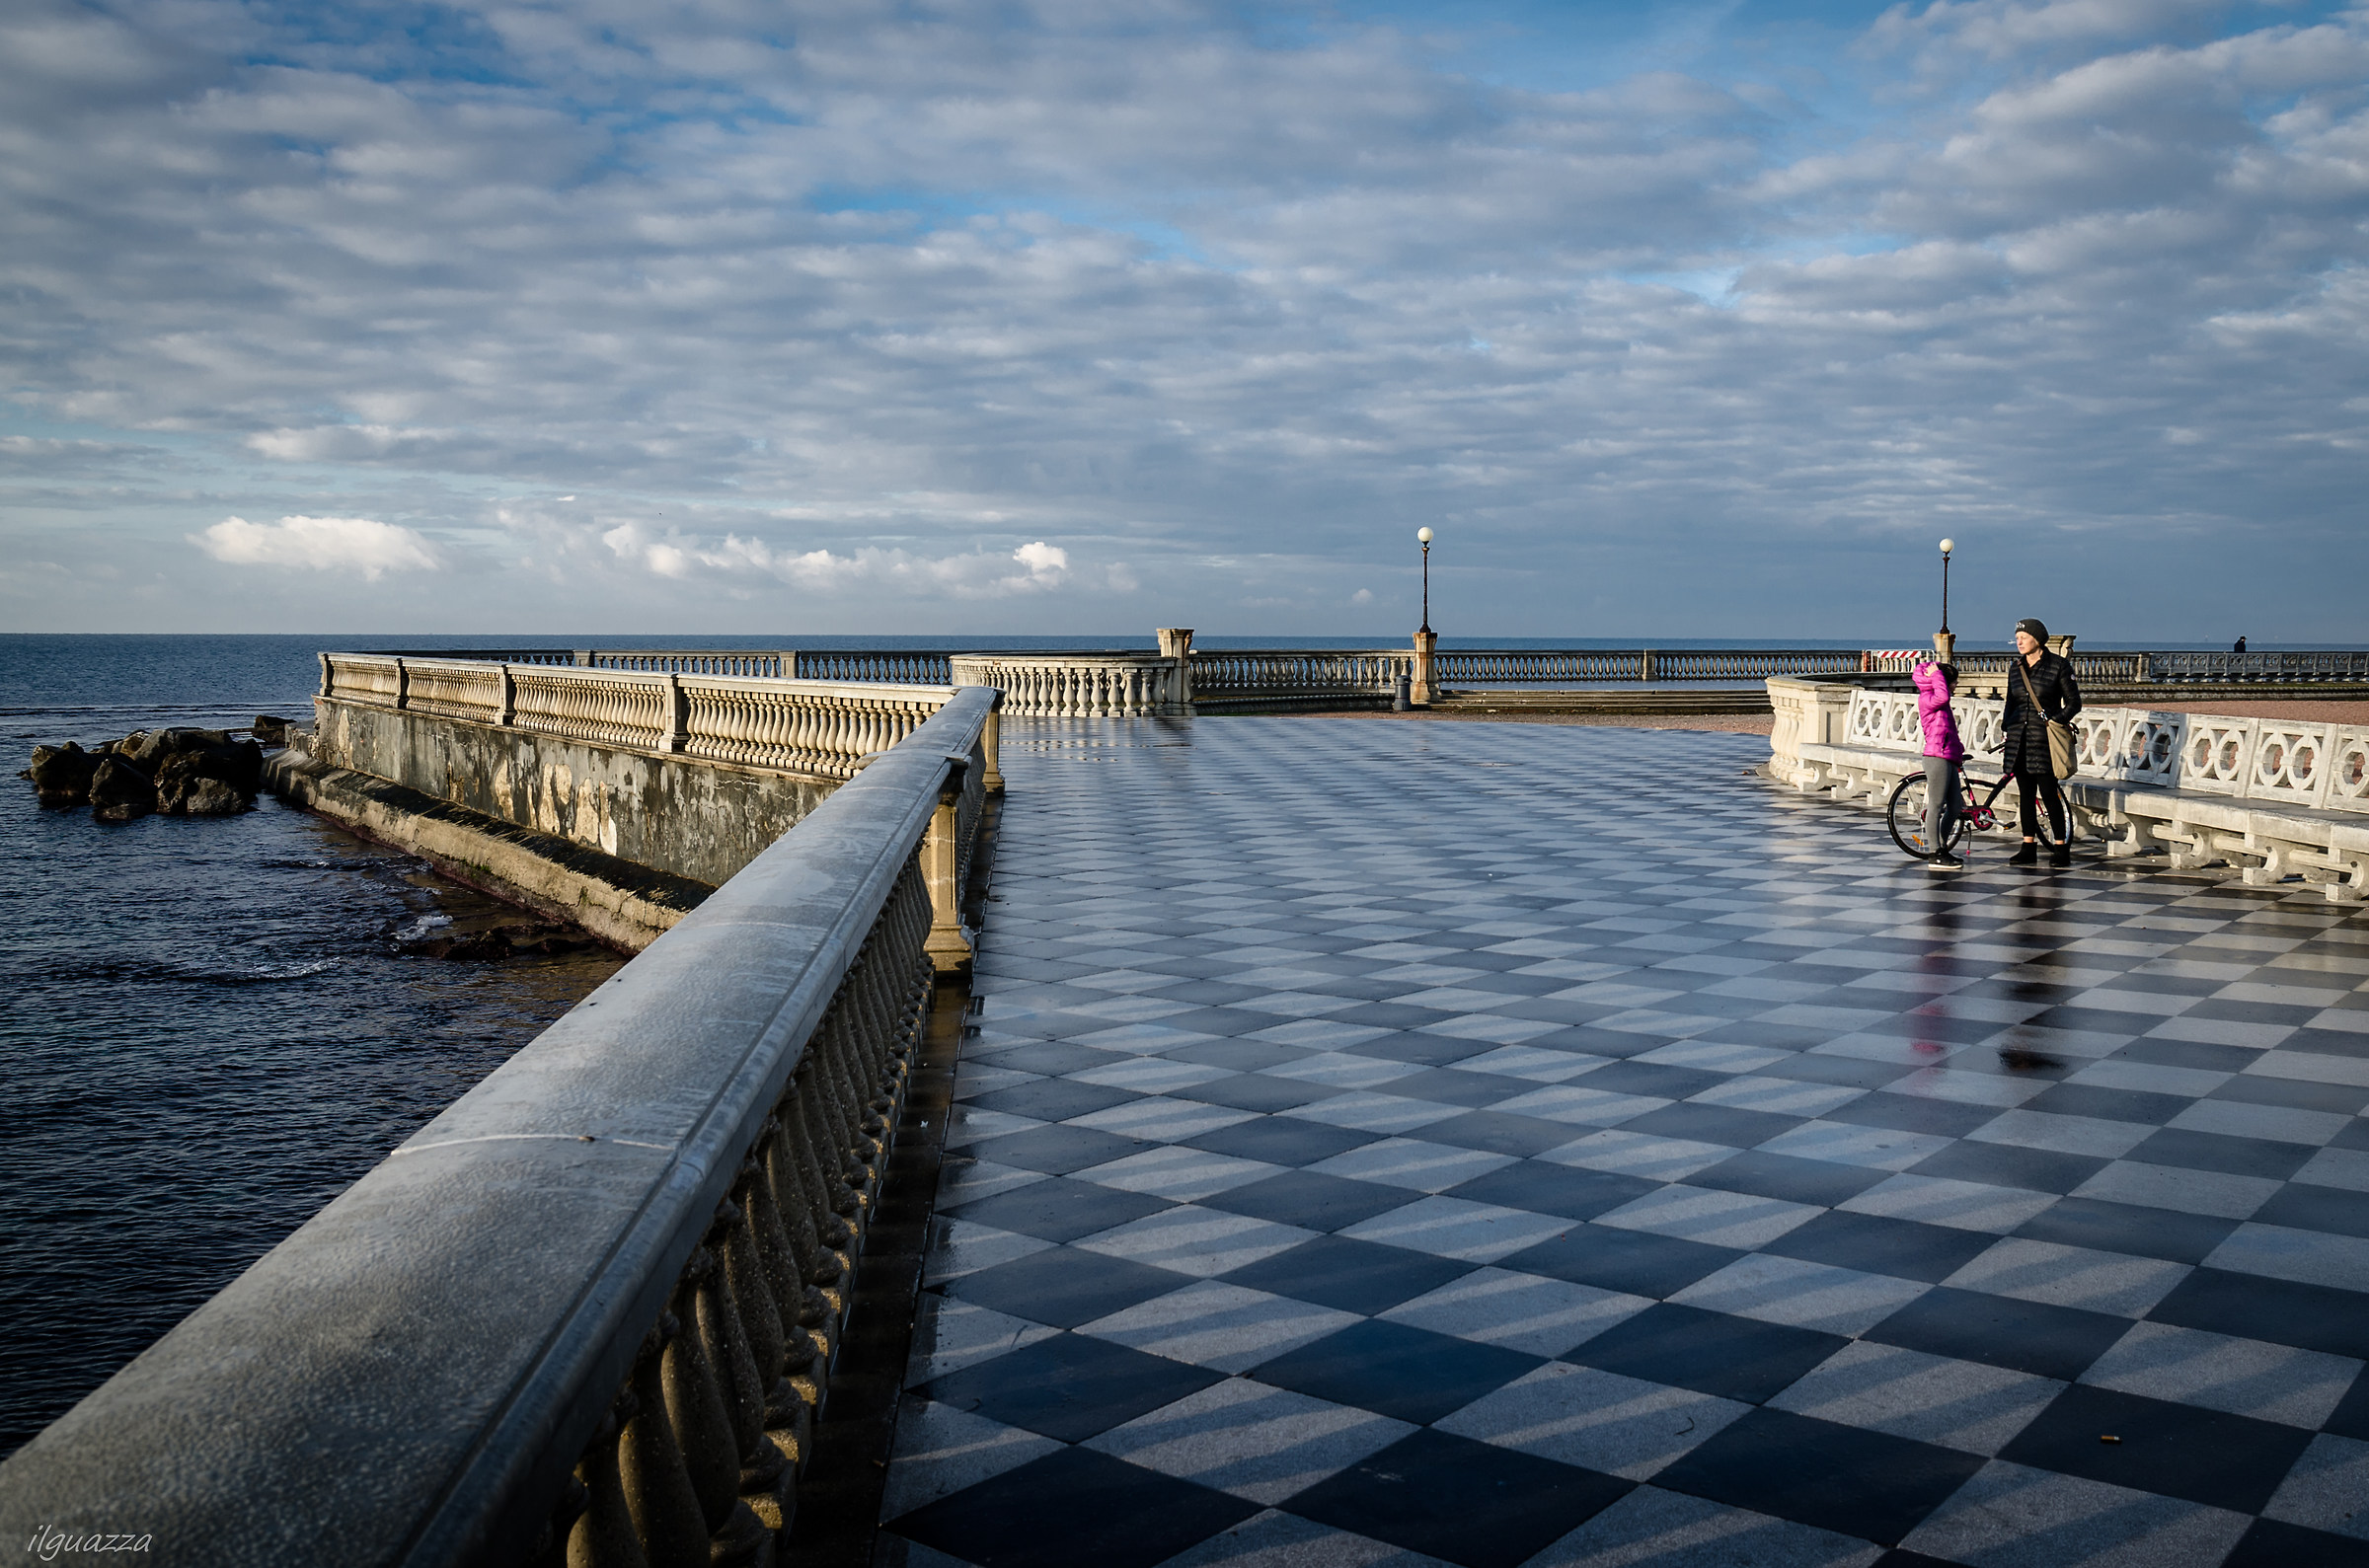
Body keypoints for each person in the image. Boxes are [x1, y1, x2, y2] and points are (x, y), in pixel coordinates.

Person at [2001, 617, 2081, 865]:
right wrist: (2006, 726)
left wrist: (2056, 720)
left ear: (2037, 639)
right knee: (2025, 794)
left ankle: (2060, 846)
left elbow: (2074, 702)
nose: (2019, 642)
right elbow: (2010, 702)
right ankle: (2028, 845)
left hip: (2045, 740)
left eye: (2023, 638)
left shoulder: (2058, 666)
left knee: (2048, 793)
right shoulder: (2016, 668)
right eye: (2017, 638)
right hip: (2019, 740)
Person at [1913, 652, 1966, 869]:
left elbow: (1950, 731)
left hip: (1948, 756)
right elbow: (1942, 696)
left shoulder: (1942, 703)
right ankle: (1934, 852)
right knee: (1935, 805)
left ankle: (1942, 848)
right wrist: (1937, 675)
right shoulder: (1928, 698)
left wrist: (1959, 753)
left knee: (1955, 807)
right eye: (1952, 682)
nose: (1955, 686)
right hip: (1936, 756)